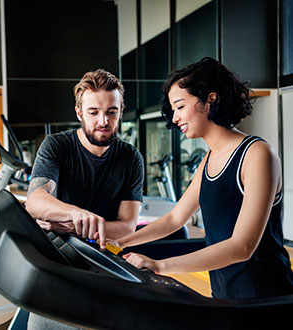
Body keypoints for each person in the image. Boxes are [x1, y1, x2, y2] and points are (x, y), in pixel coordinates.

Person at [113, 57, 293, 300]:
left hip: (264, 297)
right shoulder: (208, 161)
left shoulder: (256, 154)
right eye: (173, 109)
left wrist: (159, 265)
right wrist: (123, 242)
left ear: (211, 99)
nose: (175, 118)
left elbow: (242, 246)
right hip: (224, 294)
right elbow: (175, 218)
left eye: (180, 106)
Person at [25, 69, 144, 329]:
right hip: (57, 262)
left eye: (111, 112)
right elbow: (35, 201)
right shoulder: (56, 146)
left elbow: (127, 226)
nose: (103, 121)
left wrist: (69, 224)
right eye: (93, 112)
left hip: (102, 265)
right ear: (79, 113)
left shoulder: (130, 158)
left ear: (121, 111)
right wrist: (77, 215)